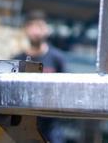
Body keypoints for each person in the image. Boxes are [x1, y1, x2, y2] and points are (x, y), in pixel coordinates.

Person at [13, 11, 67, 143]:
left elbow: (65, 90)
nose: (36, 31)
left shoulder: (57, 59)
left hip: (51, 127)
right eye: (32, 26)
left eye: (40, 26)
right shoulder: (17, 60)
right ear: (26, 29)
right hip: (22, 125)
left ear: (47, 29)